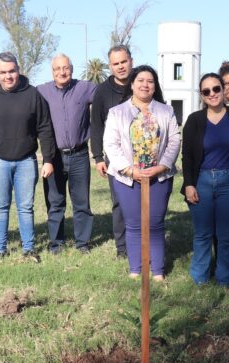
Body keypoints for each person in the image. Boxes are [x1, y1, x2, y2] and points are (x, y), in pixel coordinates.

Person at [103, 65, 181, 281]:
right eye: (141, 80)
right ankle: (136, 269)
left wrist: (162, 166)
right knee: (133, 224)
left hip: (159, 177)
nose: (145, 85)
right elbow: (111, 143)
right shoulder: (117, 112)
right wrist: (129, 170)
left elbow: (174, 140)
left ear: (155, 86)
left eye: (150, 81)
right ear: (132, 84)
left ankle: (157, 270)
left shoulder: (166, 111)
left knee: (155, 223)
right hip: (127, 178)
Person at [0, 52, 56, 263]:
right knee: (1, 207)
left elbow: (45, 127)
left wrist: (47, 159)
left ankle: (29, 248)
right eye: (3, 72)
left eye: (12, 71)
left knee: (25, 207)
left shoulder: (33, 94)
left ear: (18, 70)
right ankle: (0, 249)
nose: (8, 76)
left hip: (26, 161)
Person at [181, 73, 229, 286]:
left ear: (223, 90)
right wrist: (189, 184)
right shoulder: (194, 120)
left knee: (226, 235)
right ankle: (200, 278)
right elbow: (188, 156)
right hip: (202, 180)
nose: (212, 94)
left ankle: (224, 279)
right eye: (206, 91)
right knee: (202, 234)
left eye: (216, 89)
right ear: (202, 95)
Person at [37, 54, 97, 254]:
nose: (62, 72)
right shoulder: (42, 91)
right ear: (52, 71)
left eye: (66, 68)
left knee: (82, 202)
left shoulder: (85, 88)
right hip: (53, 157)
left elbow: (107, 95)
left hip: (79, 155)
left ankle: (82, 243)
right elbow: (20, 92)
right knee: (55, 202)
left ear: (71, 69)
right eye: (57, 69)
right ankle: (56, 244)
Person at [91, 45, 133, 258]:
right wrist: (98, 157)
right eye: (116, 64)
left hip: (144, 156)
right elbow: (96, 125)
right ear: (110, 66)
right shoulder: (102, 91)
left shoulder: (141, 83)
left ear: (131, 61)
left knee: (144, 202)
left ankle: (143, 241)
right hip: (115, 157)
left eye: (123, 62)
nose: (120, 67)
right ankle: (122, 248)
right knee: (120, 201)